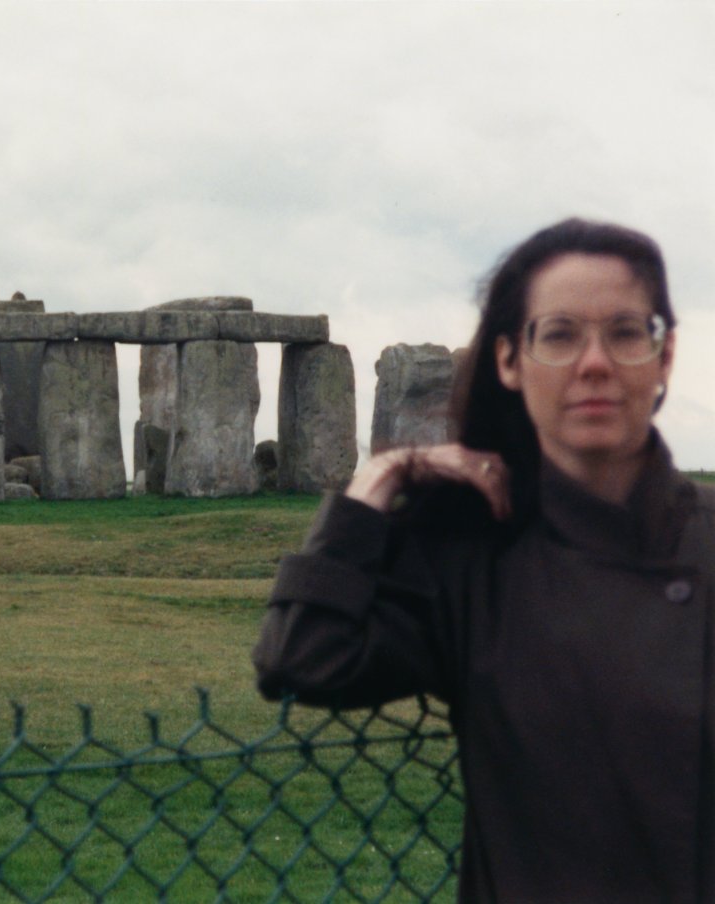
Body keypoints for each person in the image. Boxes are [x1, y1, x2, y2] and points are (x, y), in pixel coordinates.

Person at [252, 217, 713, 903]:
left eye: (624, 332)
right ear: (508, 360)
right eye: (559, 335)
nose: (594, 363)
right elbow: (302, 657)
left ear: (665, 355)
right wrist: (377, 481)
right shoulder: (471, 561)